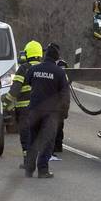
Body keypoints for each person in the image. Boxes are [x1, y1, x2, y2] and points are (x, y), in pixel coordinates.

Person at [23, 43, 69, 178]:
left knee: (32, 140)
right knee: (47, 142)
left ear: (45, 55)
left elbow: (27, 82)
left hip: (34, 111)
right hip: (51, 114)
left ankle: (29, 169)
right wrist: (64, 113)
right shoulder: (60, 73)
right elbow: (65, 96)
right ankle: (43, 170)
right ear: (57, 58)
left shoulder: (33, 69)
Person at [3, 40, 43, 169]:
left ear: (27, 53)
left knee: (26, 135)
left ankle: (28, 161)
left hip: (25, 109)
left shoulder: (24, 68)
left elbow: (15, 90)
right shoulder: (44, 68)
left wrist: (4, 104)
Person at [50, 44, 69, 161]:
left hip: (58, 100)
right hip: (58, 101)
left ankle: (57, 145)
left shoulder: (61, 65)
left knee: (58, 124)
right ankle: (57, 145)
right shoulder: (59, 66)